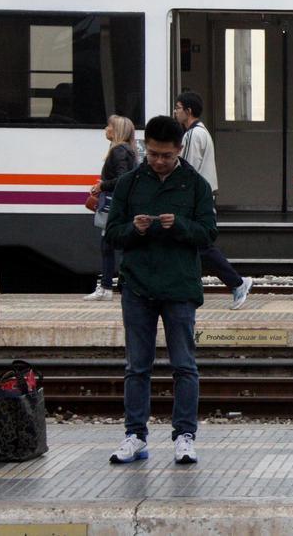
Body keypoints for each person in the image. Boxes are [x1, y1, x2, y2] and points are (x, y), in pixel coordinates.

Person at [104, 115, 217, 464]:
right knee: (137, 366)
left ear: (179, 150)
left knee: (184, 365)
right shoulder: (128, 183)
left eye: (166, 155)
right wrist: (134, 230)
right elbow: (111, 234)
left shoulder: (195, 185)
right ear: (144, 148)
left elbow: (208, 234)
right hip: (137, 286)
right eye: (152, 154)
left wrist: (179, 225)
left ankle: (185, 435)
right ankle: (135, 435)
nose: (158, 161)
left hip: (180, 287)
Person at [173, 92, 252, 310]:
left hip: (196, 199)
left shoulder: (191, 136)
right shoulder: (203, 132)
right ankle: (199, 288)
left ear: (188, 111)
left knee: (202, 247)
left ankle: (237, 283)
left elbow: (186, 168)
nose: (175, 112)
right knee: (197, 247)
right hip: (204, 196)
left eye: (178, 108)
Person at [83, 115, 138, 302]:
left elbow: (123, 179)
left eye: (109, 126)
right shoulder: (126, 150)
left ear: (117, 131)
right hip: (121, 205)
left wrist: (103, 186)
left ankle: (107, 287)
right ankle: (117, 285)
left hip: (115, 206)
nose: (106, 129)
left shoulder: (119, 151)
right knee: (114, 245)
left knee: (108, 245)